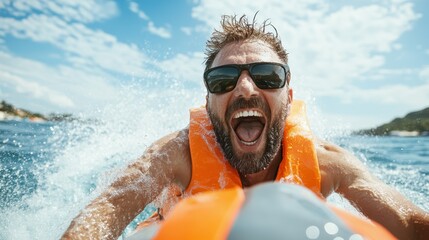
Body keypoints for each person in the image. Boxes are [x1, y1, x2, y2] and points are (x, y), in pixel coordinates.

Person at [62, 14, 428, 240]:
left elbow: (411, 223)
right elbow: (106, 210)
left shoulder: (326, 163)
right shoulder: (176, 154)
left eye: (267, 76)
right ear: (209, 102)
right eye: (223, 80)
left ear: (289, 95)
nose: (245, 89)